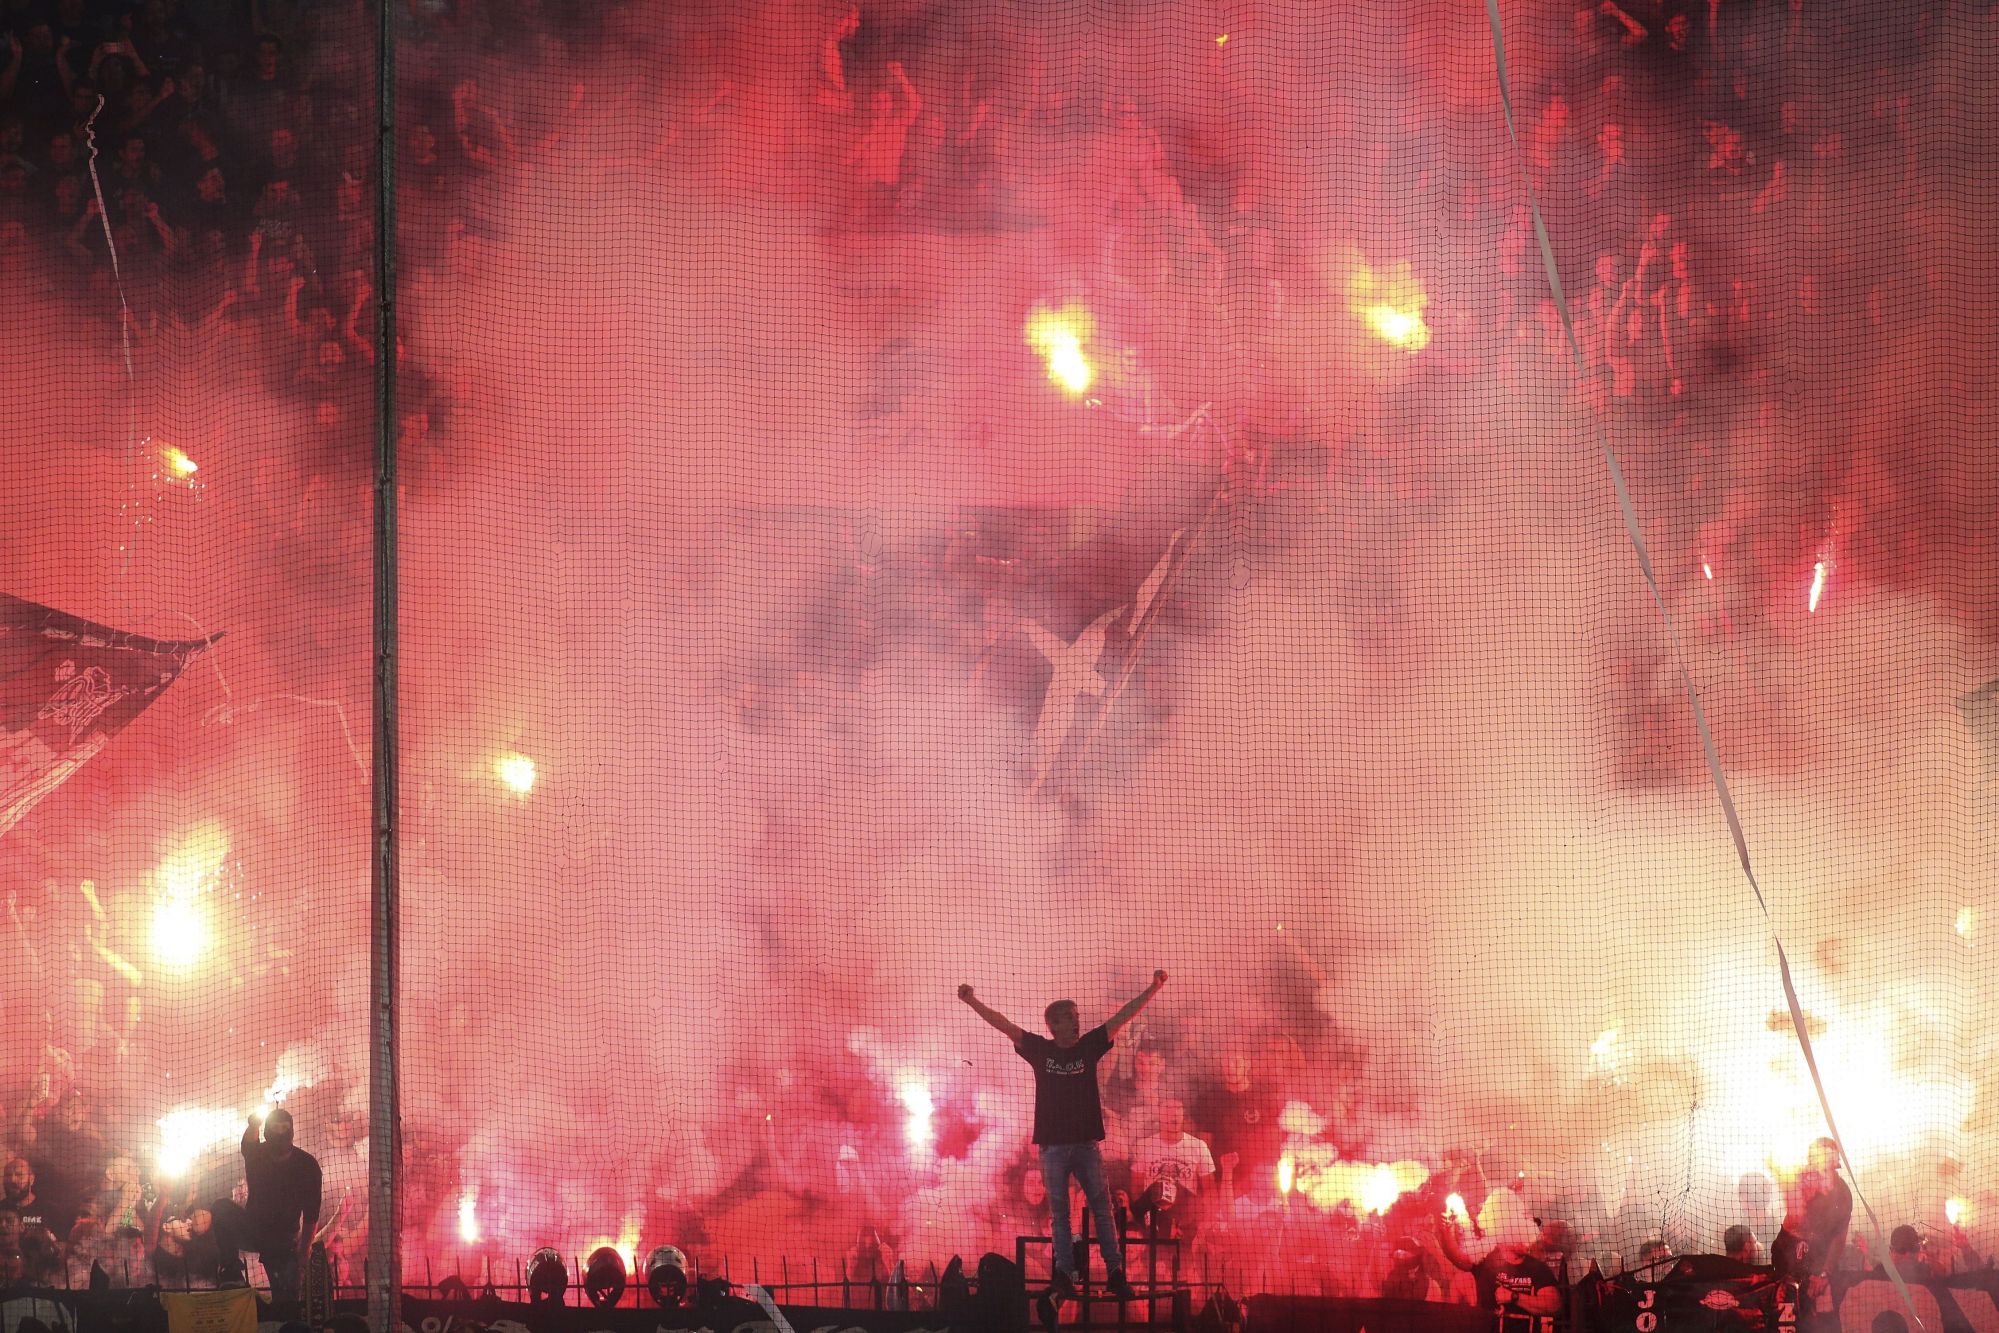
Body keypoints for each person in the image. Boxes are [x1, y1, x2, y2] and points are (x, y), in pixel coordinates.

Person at [959, 971, 1169, 1303]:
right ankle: (1066, 1276)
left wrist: (1154, 988)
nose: (1077, 1021)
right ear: (1055, 1025)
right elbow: (1003, 1024)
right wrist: (973, 1001)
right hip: (1052, 1149)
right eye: (1070, 1018)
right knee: (1060, 1213)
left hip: (1087, 1145)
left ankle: (1114, 1273)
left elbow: (1124, 1016)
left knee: (1102, 1209)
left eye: (1076, 1017)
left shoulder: (1089, 1046)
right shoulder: (1040, 1049)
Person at [211, 1108, 321, 1306]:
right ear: (267, 1131)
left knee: (287, 1302)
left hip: (283, 1239)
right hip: (253, 1229)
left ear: (291, 1131)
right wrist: (253, 1124)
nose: (280, 1133)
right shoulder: (257, 1155)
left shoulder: (307, 1166)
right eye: (275, 1128)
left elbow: (312, 1214)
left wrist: (303, 1252)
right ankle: (231, 1273)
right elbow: (248, 1143)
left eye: (284, 1128)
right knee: (221, 1208)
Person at [1442, 1217, 1570, 1319]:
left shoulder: (1537, 1268)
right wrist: (1446, 1230)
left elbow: (1554, 1305)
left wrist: (1515, 1297)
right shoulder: (1486, 1258)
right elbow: (1459, 1259)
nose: (1529, 1237)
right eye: (1522, 1232)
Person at [1124, 1099, 1215, 1241]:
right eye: (1168, 1108)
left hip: (1184, 1217)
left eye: (1178, 1108)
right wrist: (1144, 1218)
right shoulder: (1143, 1145)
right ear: (1159, 1114)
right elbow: (1136, 1188)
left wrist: (1205, 1222)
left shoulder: (1198, 1146)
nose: (1174, 1113)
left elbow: (1209, 1190)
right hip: (1153, 1216)